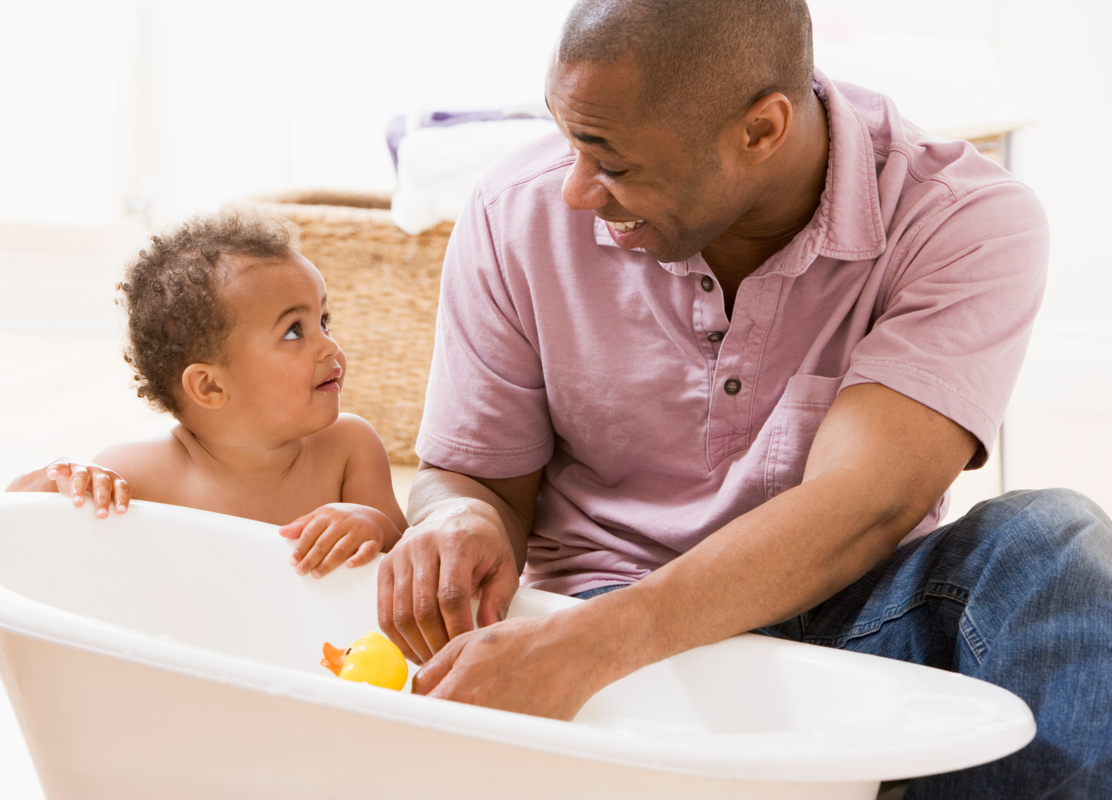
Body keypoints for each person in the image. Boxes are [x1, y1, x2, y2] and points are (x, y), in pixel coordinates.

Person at [378, 0, 1112, 796]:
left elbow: (863, 503)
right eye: (570, 141)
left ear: (761, 131)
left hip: (842, 618)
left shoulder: (964, 220)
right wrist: (459, 518)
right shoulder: (511, 210)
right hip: (593, 604)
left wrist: (591, 648)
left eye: (613, 163)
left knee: (1053, 539)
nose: (576, 192)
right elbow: (475, 478)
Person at [7, 210, 407, 578]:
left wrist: (376, 526)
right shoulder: (141, 475)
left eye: (324, 321)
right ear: (210, 386)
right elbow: (10, 529)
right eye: (293, 331)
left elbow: (409, 565)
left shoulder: (349, 449)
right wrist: (59, 476)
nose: (330, 348)